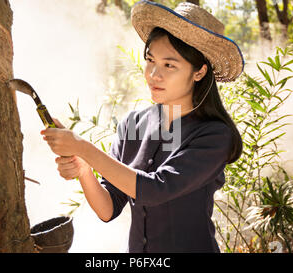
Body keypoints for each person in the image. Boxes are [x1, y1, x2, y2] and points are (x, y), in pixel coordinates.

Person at [41, 0, 244, 253]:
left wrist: (84, 148)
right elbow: (108, 209)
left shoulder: (214, 135)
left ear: (199, 72)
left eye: (169, 65)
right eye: (150, 60)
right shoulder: (134, 124)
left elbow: (156, 189)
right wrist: (84, 169)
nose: (153, 74)